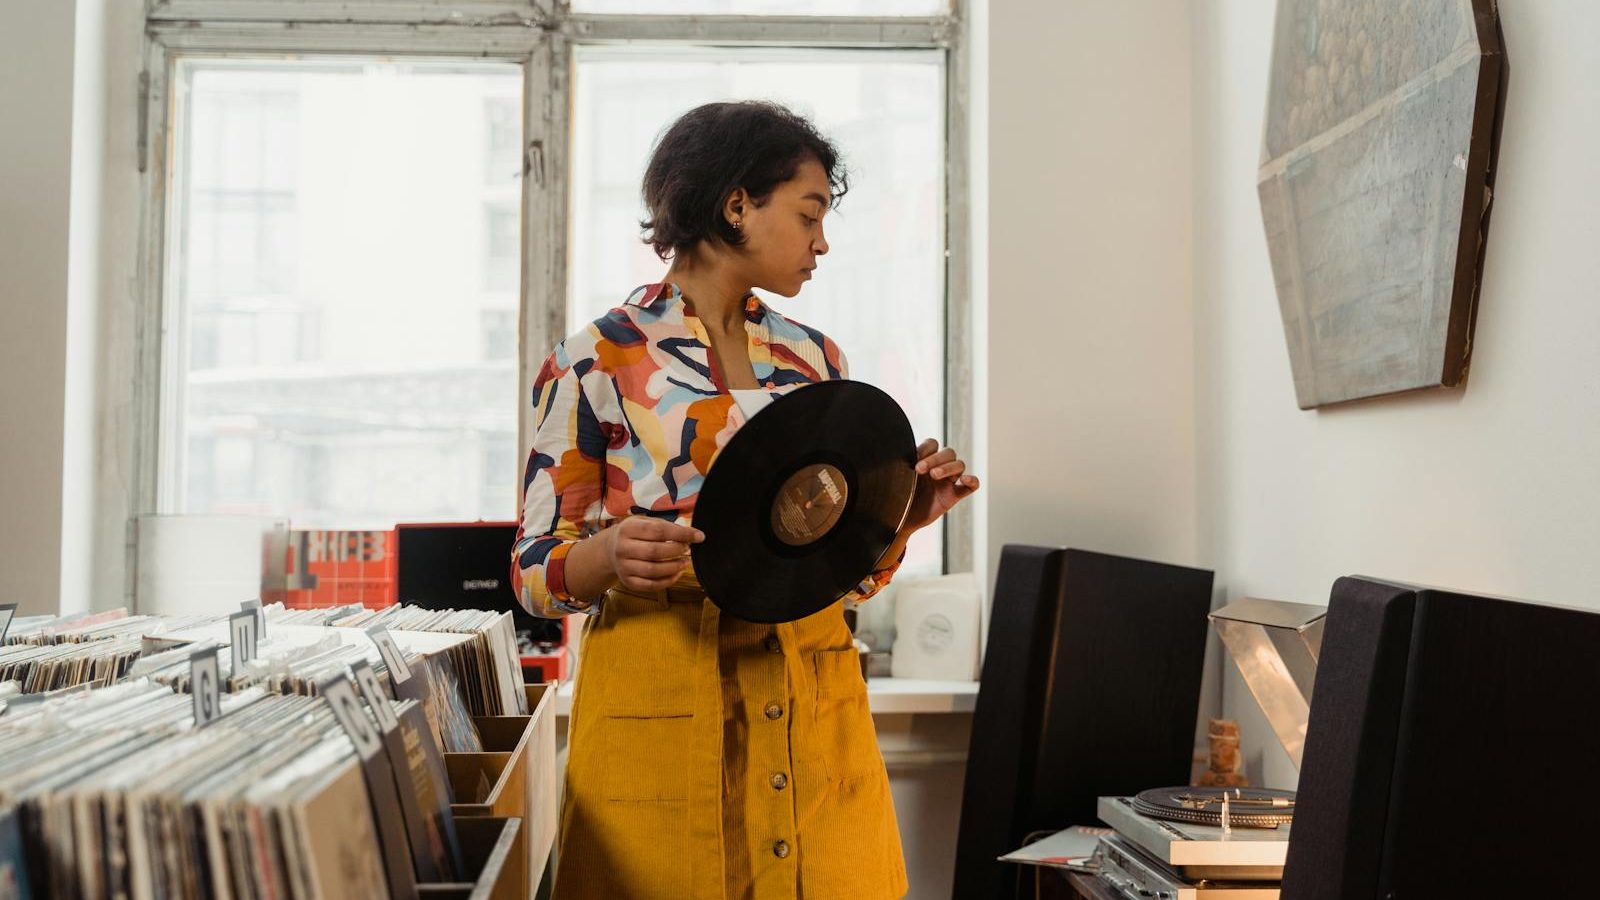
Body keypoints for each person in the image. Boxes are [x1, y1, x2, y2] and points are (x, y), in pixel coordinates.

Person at [513, 100, 978, 900]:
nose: (822, 242)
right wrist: (607, 555)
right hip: (659, 706)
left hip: (810, 702)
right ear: (737, 205)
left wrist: (901, 521)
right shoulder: (595, 362)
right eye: (809, 214)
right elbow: (531, 573)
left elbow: (848, 575)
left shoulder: (813, 359)